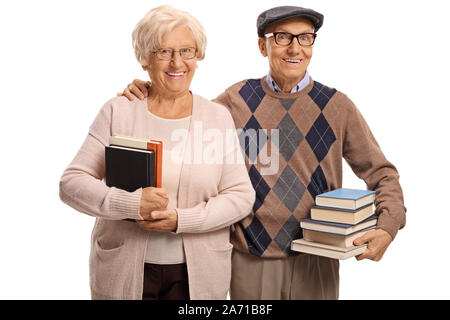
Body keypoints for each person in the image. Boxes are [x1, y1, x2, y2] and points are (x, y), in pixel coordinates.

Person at [121, 6, 406, 300]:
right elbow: (180, 119)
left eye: (305, 38)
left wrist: (387, 227)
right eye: (282, 37)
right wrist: (151, 90)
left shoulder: (337, 106)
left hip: (318, 257)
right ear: (263, 45)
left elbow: (382, 174)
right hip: (250, 259)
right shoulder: (235, 101)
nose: (295, 47)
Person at [59, 5, 255, 300]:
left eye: (186, 51)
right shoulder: (119, 111)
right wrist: (132, 204)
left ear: (197, 56)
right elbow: (71, 183)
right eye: (163, 52)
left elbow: (241, 196)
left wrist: (181, 220)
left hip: (198, 274)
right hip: (123, 271)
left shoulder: (217, 117)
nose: (177, 63)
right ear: (144, 60)